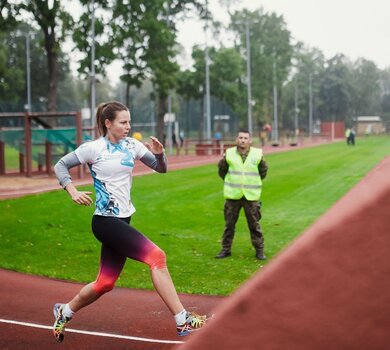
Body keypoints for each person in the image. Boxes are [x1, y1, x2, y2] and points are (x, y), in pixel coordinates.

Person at [52, 101, 207, 343]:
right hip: (105, 221)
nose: (128, 126)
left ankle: (65, 311)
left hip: (123, 219)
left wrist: (159, 154)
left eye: (129, 122)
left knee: (104, 283)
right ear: (108, 123)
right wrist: (72, 190)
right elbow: (61, 165)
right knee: (157, 257)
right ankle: (182, 320)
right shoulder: (93, 148)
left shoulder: (132, 145)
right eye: (123, 122)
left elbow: (160, 168)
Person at [215, 130, 268, 260]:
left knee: (254, 225)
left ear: (250, 140)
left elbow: (263, 170)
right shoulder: (229, 154)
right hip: (233, 195)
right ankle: (226, 249)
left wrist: (252, 182)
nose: (243, 140)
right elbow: (222, 170)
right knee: (229, 225)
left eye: (245, 138)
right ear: (236, 140)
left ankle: (259, 250)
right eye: (240, 138)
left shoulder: (257, 154)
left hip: (251, 196)